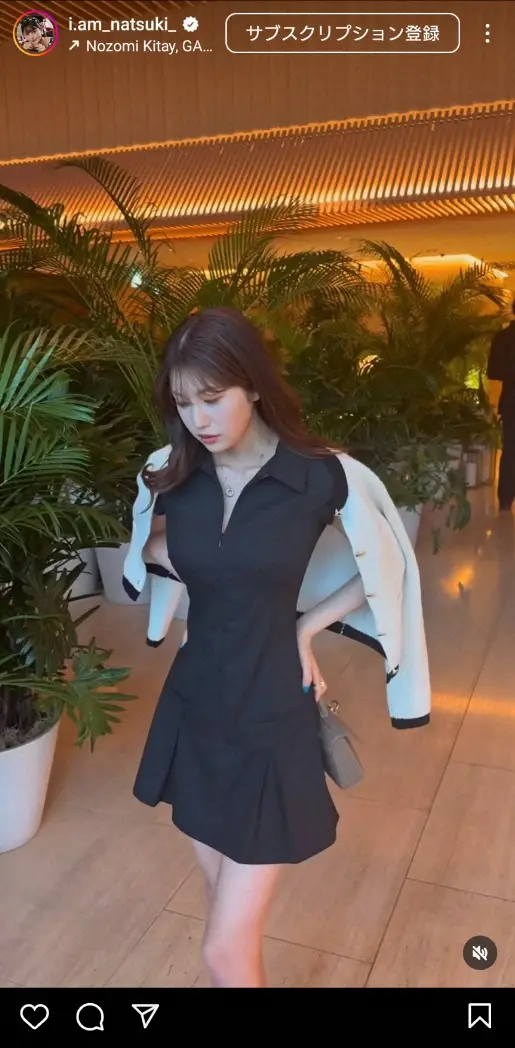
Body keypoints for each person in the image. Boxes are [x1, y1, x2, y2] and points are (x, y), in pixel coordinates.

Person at [123, 306, 431, 988]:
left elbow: (389, 565)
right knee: (224, 924)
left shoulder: (320, 475)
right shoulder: (173, 471)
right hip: (195, 704)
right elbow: (149, 548)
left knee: (221, 950)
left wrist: (305, 625)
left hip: (270, 714)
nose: (198, 419)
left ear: (254, 385)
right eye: (183, 403)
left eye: (212, 398)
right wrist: (192, 565)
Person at [487, 298, 515, 510]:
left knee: (510, 450)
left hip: (511, 401)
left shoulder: (503, 337)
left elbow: (493, 372)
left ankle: (505, 499)